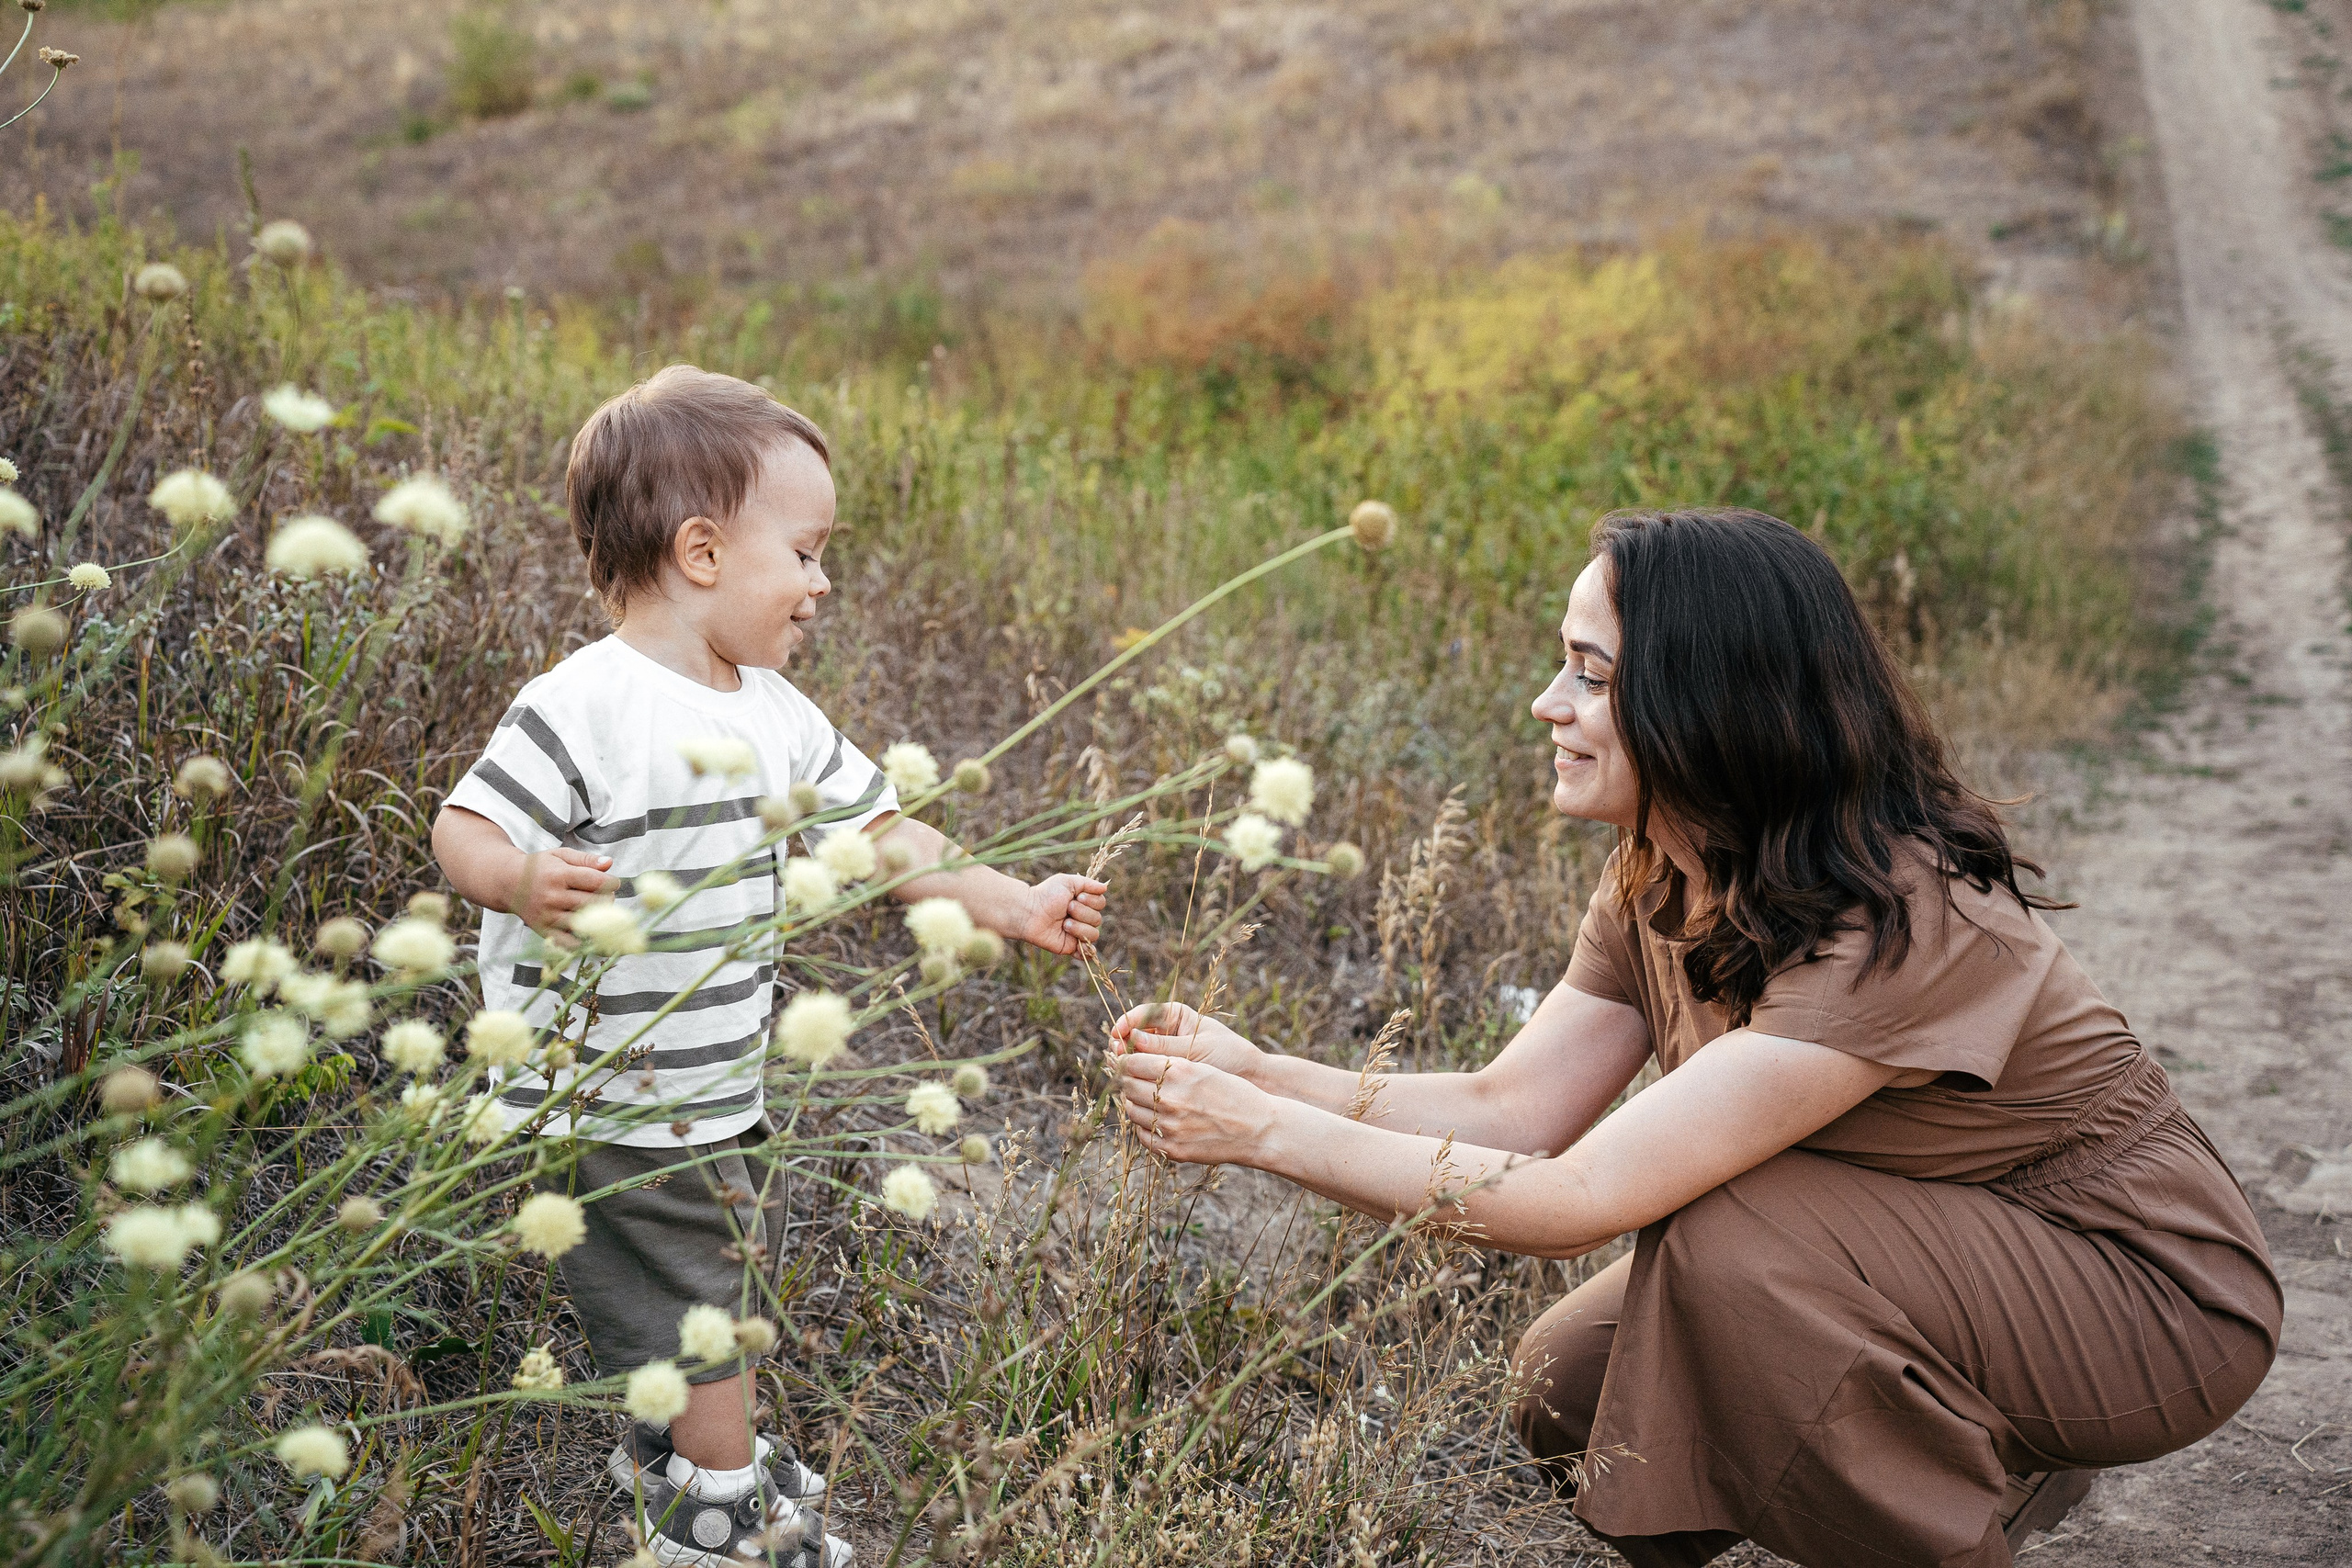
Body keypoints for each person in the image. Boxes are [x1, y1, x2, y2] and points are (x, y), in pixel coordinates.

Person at [1108, 508, 2280, 1568]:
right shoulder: (1662, 872)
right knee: (1570, 1388)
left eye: (1589, 675)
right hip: (1945, 1246)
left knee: (1725, 1238)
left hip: (2142, 1292)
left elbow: (1572, 1201)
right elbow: (1513, 1111)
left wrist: (1258, 1133)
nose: (1547, 704)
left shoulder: (1893, 918)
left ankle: (1956, 1505)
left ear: (1705, 702)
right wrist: (1259, 1074)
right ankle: (1961, 1449)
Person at [433, 366, 1107, 1568]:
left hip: (713, 1080)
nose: (821, 581)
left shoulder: (778, 712)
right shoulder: (583, 703)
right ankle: (719, 1514)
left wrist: (1015, 901)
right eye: (803, 552)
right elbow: (463, 827)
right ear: (701, 552)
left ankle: (676, 1455)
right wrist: (519, 880)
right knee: (705, 1300)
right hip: (605, 1080)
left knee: (716, 1274)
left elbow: (887, 838)